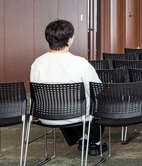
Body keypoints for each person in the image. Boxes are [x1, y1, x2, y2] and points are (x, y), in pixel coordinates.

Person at [29, 20, 106, 156]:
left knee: (62, 102)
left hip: (46, 116)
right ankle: (95, 142)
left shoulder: (37, 63)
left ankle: (82, 138)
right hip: (76, 115)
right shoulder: (79, 63)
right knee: (98, 101)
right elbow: (97, 90)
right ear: (70, 40)